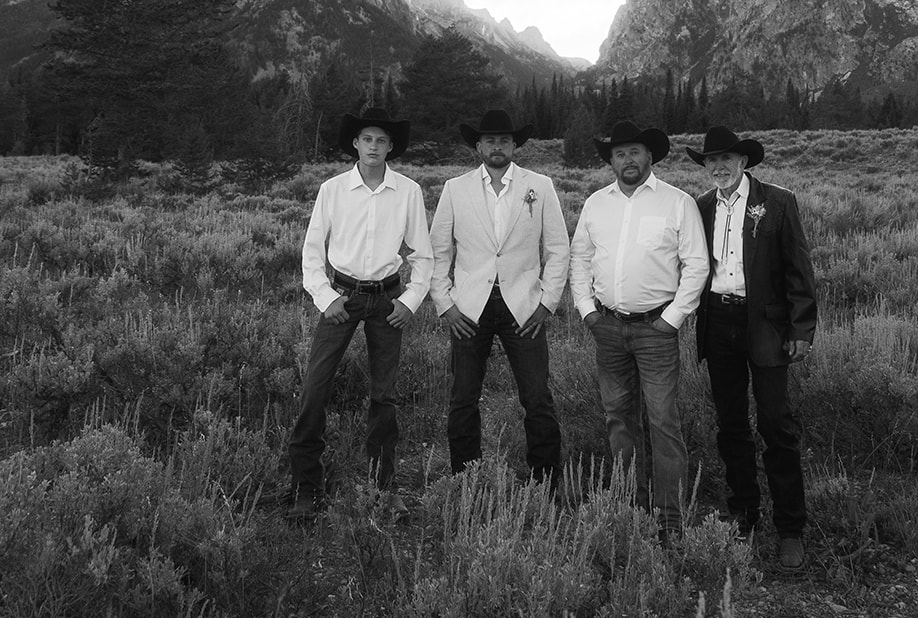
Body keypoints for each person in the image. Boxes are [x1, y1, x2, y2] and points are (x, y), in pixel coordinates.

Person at [289, 106, 432, 520]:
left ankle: (384, 490)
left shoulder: (408, 191)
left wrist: (409, 301)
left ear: (391, 147)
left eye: (381, 141)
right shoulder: (332, 190)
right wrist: (324, 296)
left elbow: (423, 255)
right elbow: (312, 251)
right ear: (356, 143)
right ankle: (305, 489)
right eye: (367, 139)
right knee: (315, 389)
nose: (373, 146)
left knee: (384, 397)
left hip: (387, 301)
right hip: (342, 299)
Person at [570, 118, 709, 535]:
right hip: (608, 328)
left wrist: (672, 320)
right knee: (618, 418)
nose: (627, 160)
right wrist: (586, 310)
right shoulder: (596, 203)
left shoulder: (677, 201)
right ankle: (632, 506)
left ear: (650, 156)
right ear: (610, 160)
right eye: (619, 153)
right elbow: (580, 257)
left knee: (663, 421)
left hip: (656, 330)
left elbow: (696, 264)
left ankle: (669, 518)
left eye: (634, 152)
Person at [688, 125, 817, 570]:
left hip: (766, 325)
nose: (719, 166)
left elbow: (799, 271)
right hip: (718, 321)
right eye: (711, 160)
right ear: (704, 166)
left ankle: (790, 528)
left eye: (727, 158)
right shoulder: (700, 207)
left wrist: (801, 329)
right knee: (730, 425)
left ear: (743, 162)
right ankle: (743, 513)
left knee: (777, 425)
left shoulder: (778, 202)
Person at [430, 109, 570, 484]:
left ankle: (546, 483)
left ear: (514, 145)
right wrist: (445, 304)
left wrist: (547, 302)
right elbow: (439, 252)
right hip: (469, 307)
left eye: (504, 140)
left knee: (537, 398)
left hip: (523, 305)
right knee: (462, 399)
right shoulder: (454, 189)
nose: (497, 146)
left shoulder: (539, 186)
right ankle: (464, 480)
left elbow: (558, 248)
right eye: (490, 140)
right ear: (478, 146)